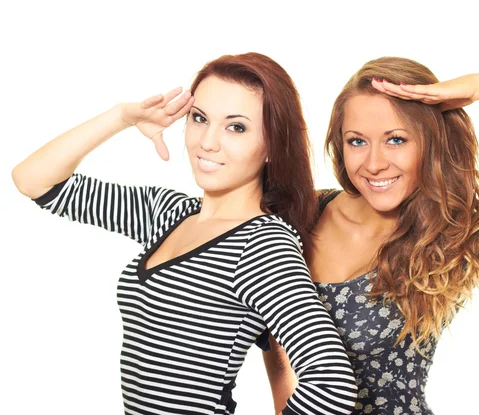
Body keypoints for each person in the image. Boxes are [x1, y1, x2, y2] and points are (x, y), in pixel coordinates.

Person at [11, 52, 358, 415]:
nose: (207, 142)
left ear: (271, 145)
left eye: (236, 127)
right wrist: (121, 117)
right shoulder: (168, 213)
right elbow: (33, 180)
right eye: (200, 118)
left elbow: (331, 384)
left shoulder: (261, 245)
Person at [261, 57, 479, 414]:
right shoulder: (299, 213)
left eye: (396, 140)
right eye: (357, 141)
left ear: (431, 143)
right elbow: (277, 353)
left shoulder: (452, 241)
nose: (374, 163)